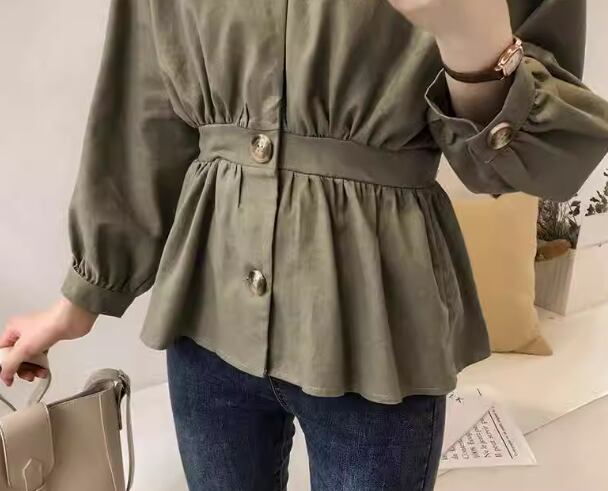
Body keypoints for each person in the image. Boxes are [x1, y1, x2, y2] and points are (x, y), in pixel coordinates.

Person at [2, 0, 608, 489]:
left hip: (375, 331)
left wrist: (476, 50)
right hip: (206, 323)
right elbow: (145, 110)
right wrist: (79, 299)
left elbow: (538, 163)